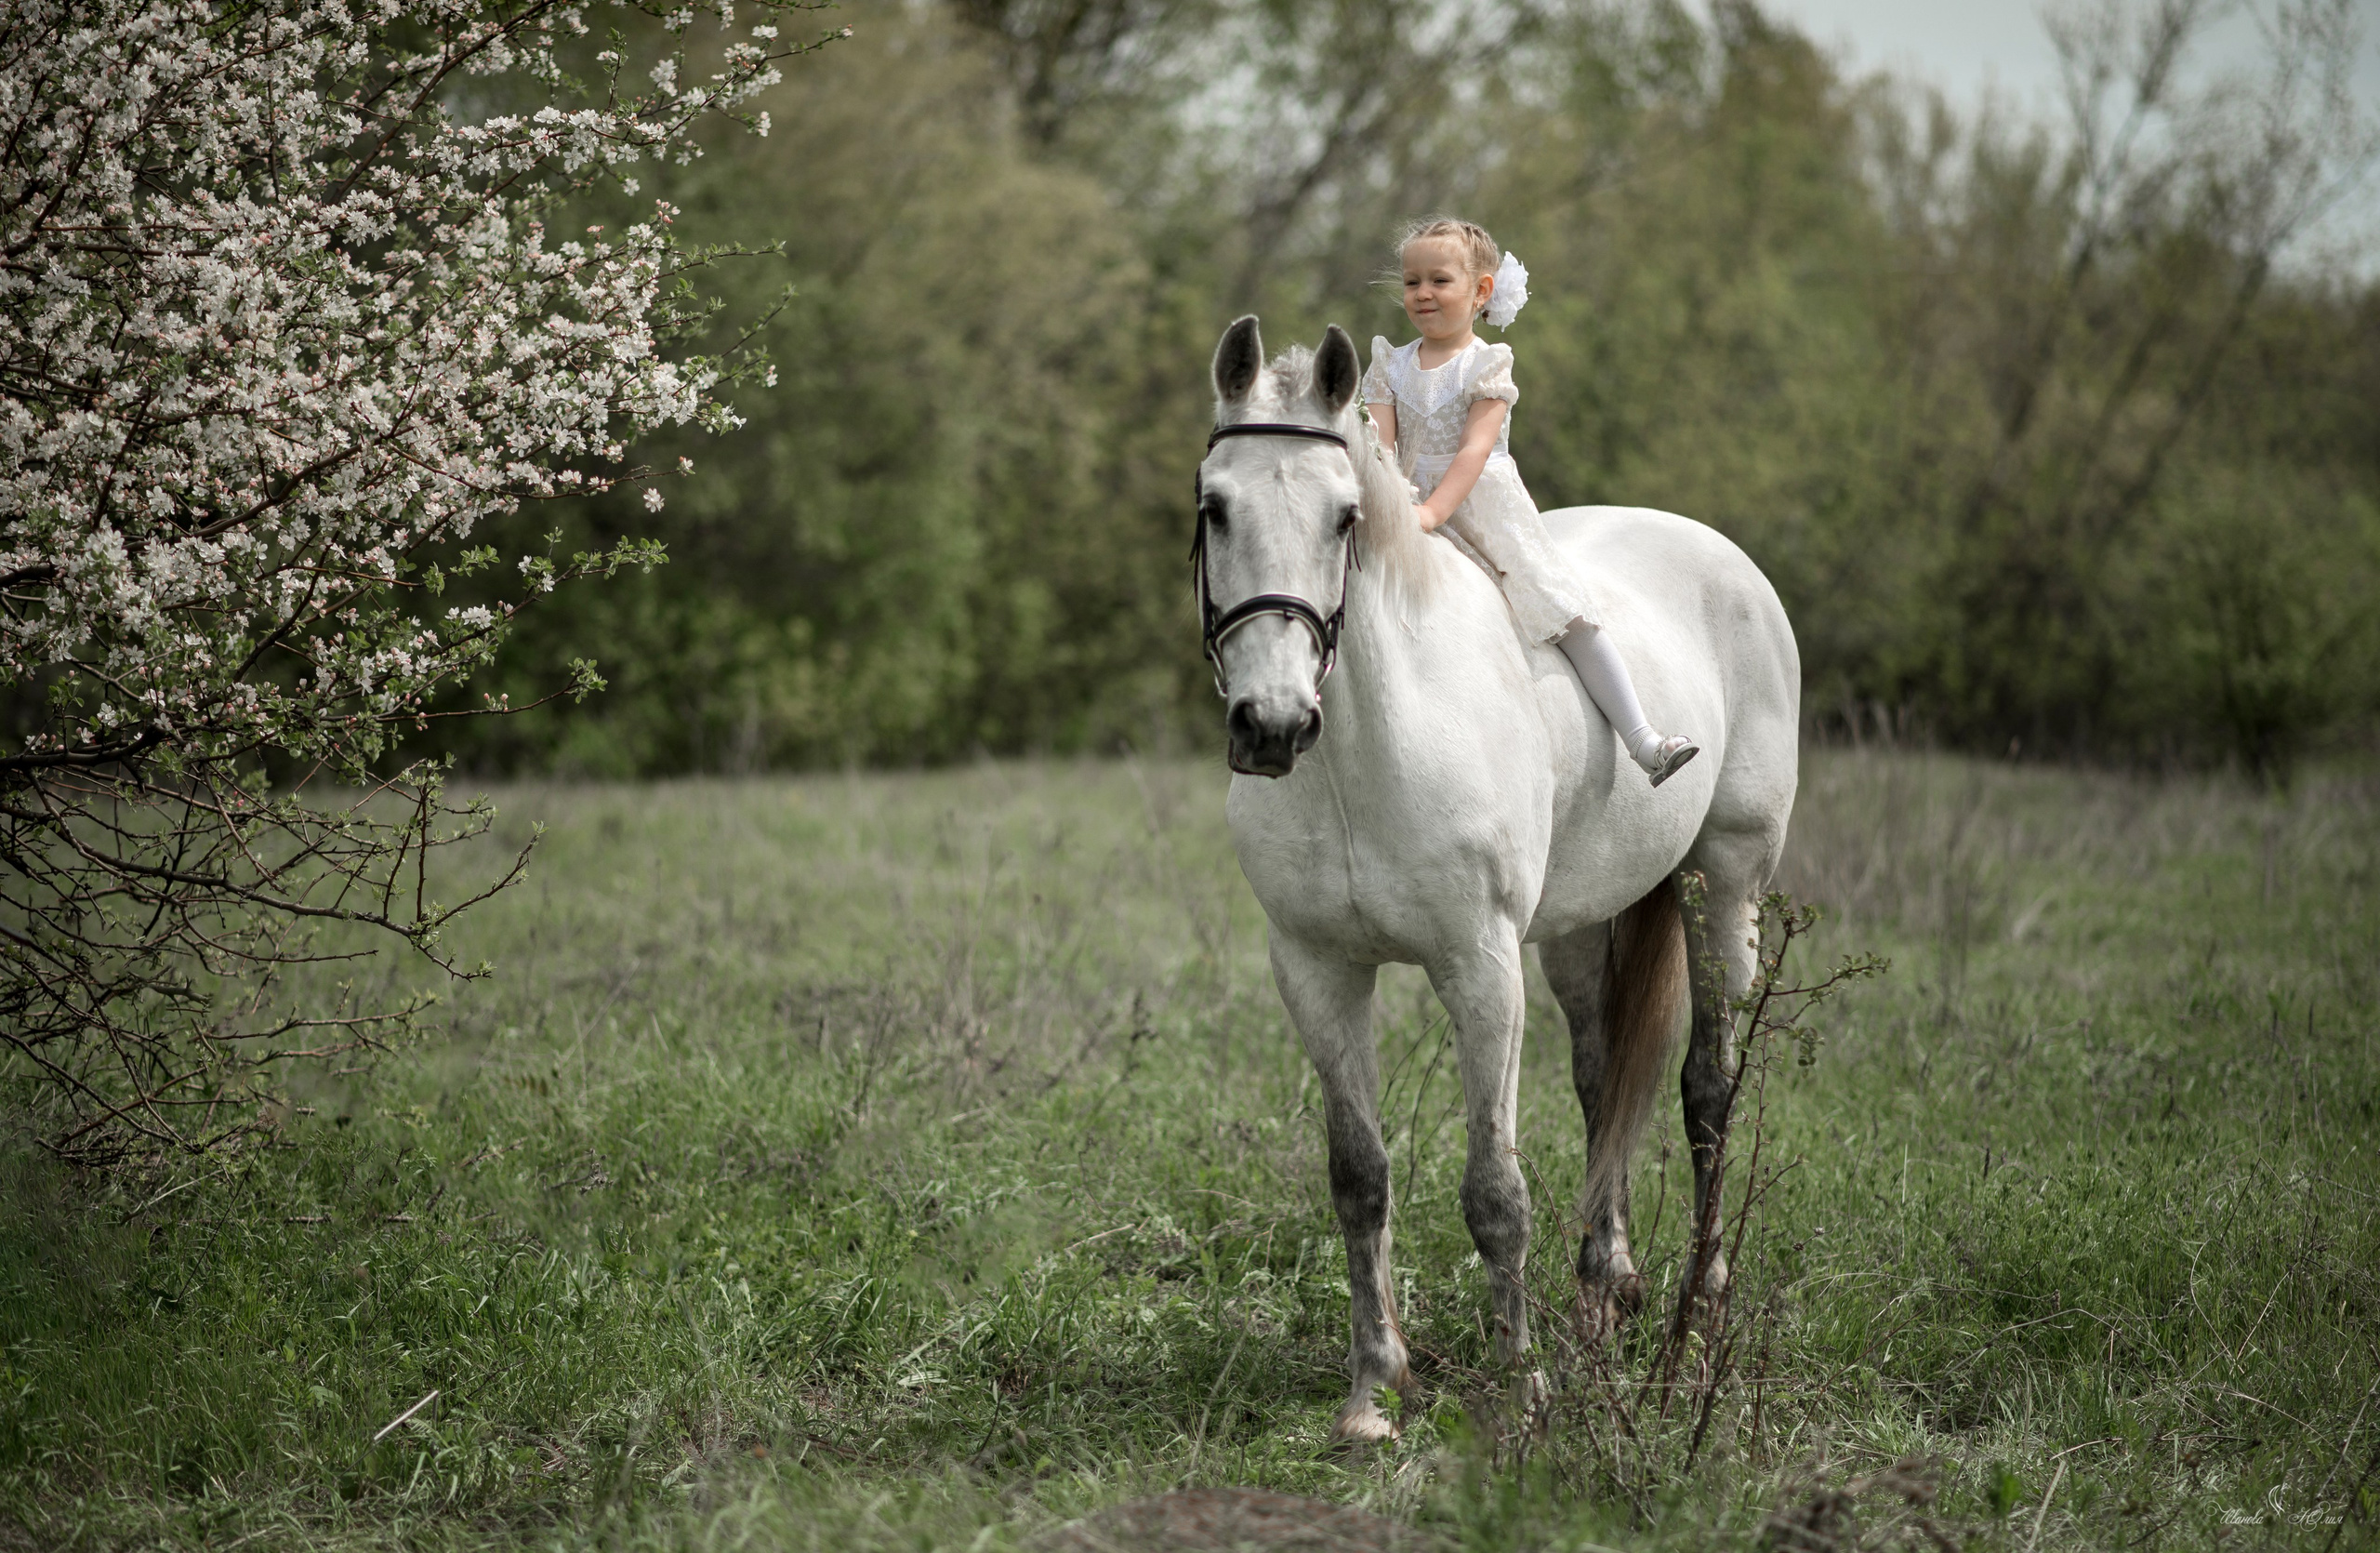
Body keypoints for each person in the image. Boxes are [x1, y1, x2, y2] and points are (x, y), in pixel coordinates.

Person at [1364, 217, 1699, 787]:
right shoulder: (1389, 363)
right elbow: (1380, 445)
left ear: (1481, 292)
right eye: (1412, 281)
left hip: (1483, 512)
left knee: (1564, 614)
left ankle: (1643, 739)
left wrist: (1431, 513)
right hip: (1408, 507)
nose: (1421, 293)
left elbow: (1474, 450)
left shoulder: (1487, 363)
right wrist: (1394, 502)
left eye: (1439, 280)